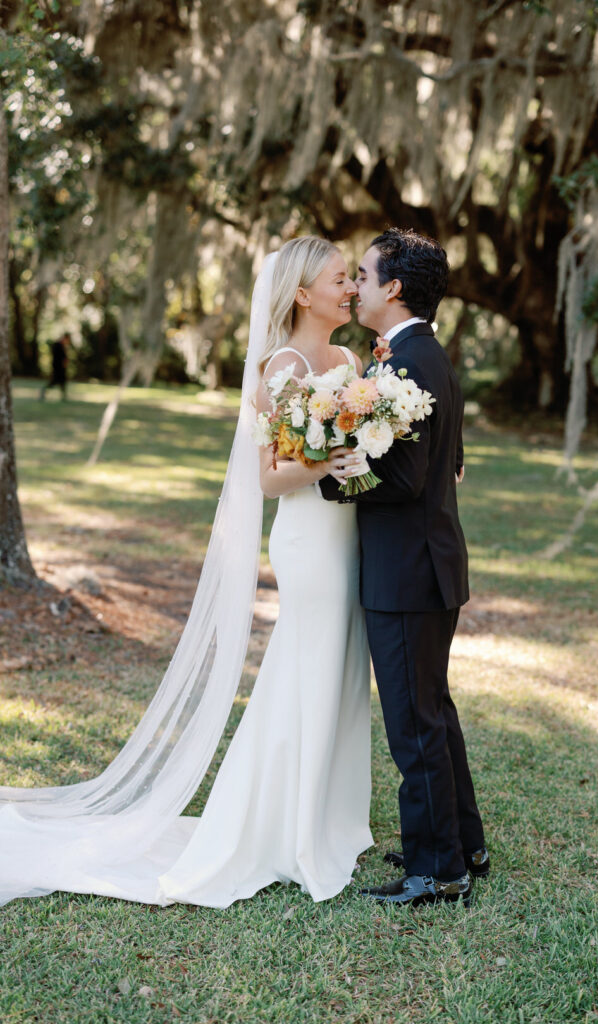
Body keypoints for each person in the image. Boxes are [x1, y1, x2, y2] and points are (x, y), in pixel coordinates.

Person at [0, 237, 372, 908]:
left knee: (342, 668)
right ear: (302, 294)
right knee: (306, 665)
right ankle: (283, 831)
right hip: (308, 539)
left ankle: (329, 819)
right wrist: (331, 456)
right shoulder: (281, 367)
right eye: (340, 277)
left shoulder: (350, 359)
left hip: (351, 533)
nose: (351, 287)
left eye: (351, 277)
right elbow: (268, 478)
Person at [320, 228, 489, 908]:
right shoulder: (418, 354)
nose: (354, 285)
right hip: (427, 564)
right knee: (433, 714)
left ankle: (437, 871)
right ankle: (462, 843)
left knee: (414, 725)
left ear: (392, 287)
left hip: (407, 570)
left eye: (361, 274)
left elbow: (408, 479)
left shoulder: (408, 366)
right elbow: (447, 462)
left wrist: (333, 482)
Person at [40, 332, 70, 401]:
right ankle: (44, 391)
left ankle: (64, 396)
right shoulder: (57, 345)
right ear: (64, 338)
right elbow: (58, 357)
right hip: (58, 367)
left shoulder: (63, 346)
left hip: (61, 368)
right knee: (54, 381)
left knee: (62, 382)